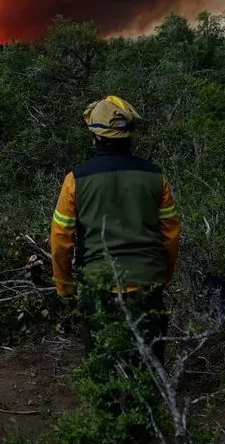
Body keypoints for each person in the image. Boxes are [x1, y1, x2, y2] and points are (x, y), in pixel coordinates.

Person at [49, 95, 181, 364]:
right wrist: (161, 276)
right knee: (148, 369)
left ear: (96, 136)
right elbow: (170, 234)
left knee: (102, 368)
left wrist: (65, 286)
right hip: (148, 286)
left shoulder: (75, 180)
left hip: (99, 287)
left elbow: (61, 239)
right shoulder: (156, 177)